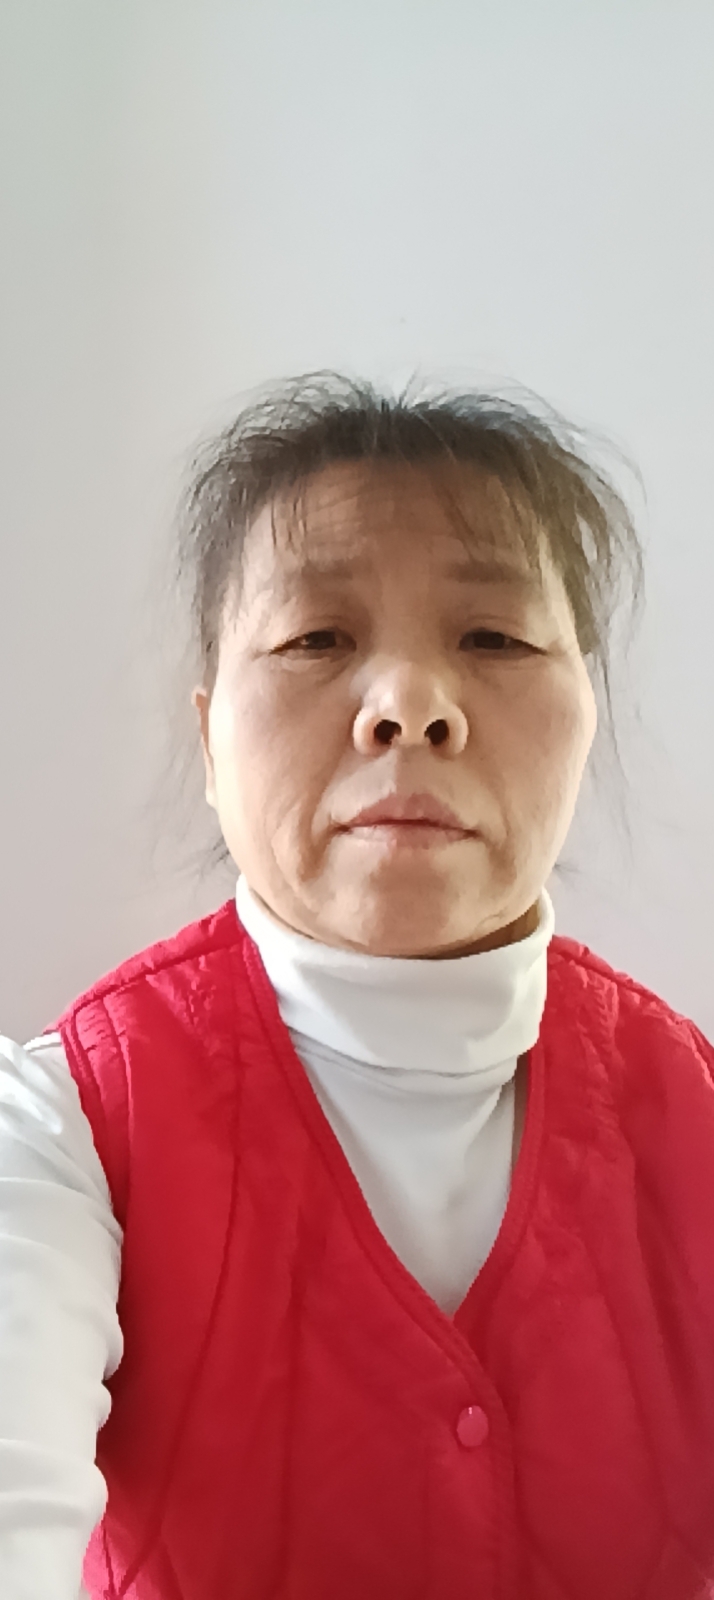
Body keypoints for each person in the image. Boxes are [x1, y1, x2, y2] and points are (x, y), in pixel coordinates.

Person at [1, 372, 713, 1600]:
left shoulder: (695, 1119)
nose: (409, 707)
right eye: (315, 639)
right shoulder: (64, 1128)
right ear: (212, 737)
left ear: (584, 719)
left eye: (493, 638)